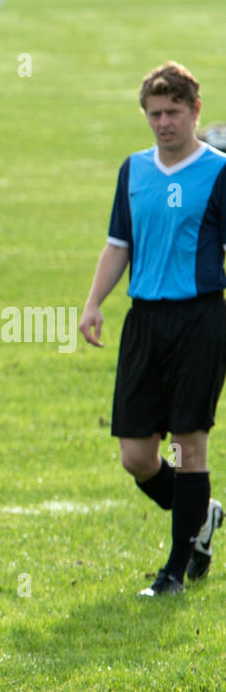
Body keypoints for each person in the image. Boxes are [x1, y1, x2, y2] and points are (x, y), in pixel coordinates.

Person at [79, 61, 226, 596]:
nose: (164, 123)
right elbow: (120, 242)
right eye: (155, 113)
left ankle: (174, 571)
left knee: (189, 448)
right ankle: (202, 513)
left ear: (195, 111)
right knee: (136, 456)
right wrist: (94, 302)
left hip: (200, 320)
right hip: (145, 322)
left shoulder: (218, 171)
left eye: (174, 112)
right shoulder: (134, 170)